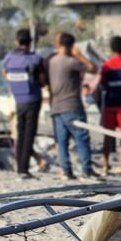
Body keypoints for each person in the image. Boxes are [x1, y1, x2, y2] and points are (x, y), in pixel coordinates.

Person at [47, 32, 97, 179]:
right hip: (72, 105)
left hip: (56, 106)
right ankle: (86, 170)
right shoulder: (71, 62)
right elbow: (93, 69)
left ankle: (66, 171)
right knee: (81, 138)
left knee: (62, 141)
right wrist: (80, 55)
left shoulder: (52, 61)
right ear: (71, 45)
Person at [3, 29, 47, 179]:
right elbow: (42, 80)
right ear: (30, 42)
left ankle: (19, 168)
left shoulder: (9, 58)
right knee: (29, 134)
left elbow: (5, 74)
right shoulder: (35, 59)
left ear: (17, 41)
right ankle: (24, 169)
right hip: (32, 99)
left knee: (20, 133)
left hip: (18, 99)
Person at [98, 35, 121, 175]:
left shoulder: (106, 65)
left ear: (111, 48)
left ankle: (105, 165)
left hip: (110, 104)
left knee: (108, 135)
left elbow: (102, 84)